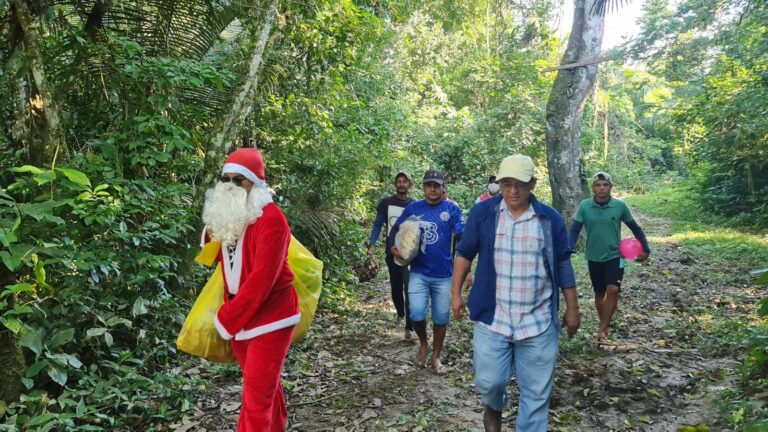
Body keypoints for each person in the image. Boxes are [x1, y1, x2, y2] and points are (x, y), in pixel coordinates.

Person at [451, 154, 580, 432]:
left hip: (537, 321)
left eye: (520, 184)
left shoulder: (549, 219)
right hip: (493, 318)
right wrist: (455, 294)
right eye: (506, 183)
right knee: (490, 383)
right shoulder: (483, 214)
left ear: (532, 183)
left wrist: (572, 309)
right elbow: (464, 253)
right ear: (498, 184)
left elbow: (563, 264)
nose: (513, 191)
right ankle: (494, 406)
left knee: (536, 397)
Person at [202, 148, 299, 432]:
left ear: (254, 184)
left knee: (256, 400)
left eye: (239, 180)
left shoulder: (272, 219)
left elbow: (261, 281)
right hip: (241, 316)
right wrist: (215, 224)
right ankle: (279, 425)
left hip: (271, 317)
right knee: (263, 387)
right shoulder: (233, 216)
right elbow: (221, 257)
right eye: (226, 179)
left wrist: (226, 318)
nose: (230, 186)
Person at [389, 169, 464, 375]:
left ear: (442, 187)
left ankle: (436, 355)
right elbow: (397, 229)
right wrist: (395, 248)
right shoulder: (414, 208)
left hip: (444, 274)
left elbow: (461, 237)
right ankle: (423, 343)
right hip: (419, 272)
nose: (432, 188)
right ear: (423, 187)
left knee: (441, 318)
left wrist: (466, 268)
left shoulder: (452, 209)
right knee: (416, 312)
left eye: (436, 185)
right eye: (429, 184)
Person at [569, 171, 650, 346]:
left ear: (611, 187)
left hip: (615, 255)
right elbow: (575, 229)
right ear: (593, 188)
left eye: (605, 185)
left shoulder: (619, 206)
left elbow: (635, 228)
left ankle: (601, 330)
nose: (602, 188)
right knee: (599, 293)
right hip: (593, 256)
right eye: (598, 185)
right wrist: (569, 247)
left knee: (613, 289)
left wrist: (646, 248)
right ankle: (604, 326)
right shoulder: (584, 206)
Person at [368, 171, 416, 339]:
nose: (401, 184)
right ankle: (400, 314)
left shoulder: (414, 205)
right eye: (399, 181)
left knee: (409, 287)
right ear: (395, 184)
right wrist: (372, 243)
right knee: (396, 287)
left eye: (405, 181)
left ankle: (410, 327)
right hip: (391, 251)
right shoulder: (386, 203)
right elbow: (377, 224)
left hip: (408, 254)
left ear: (409, 185)